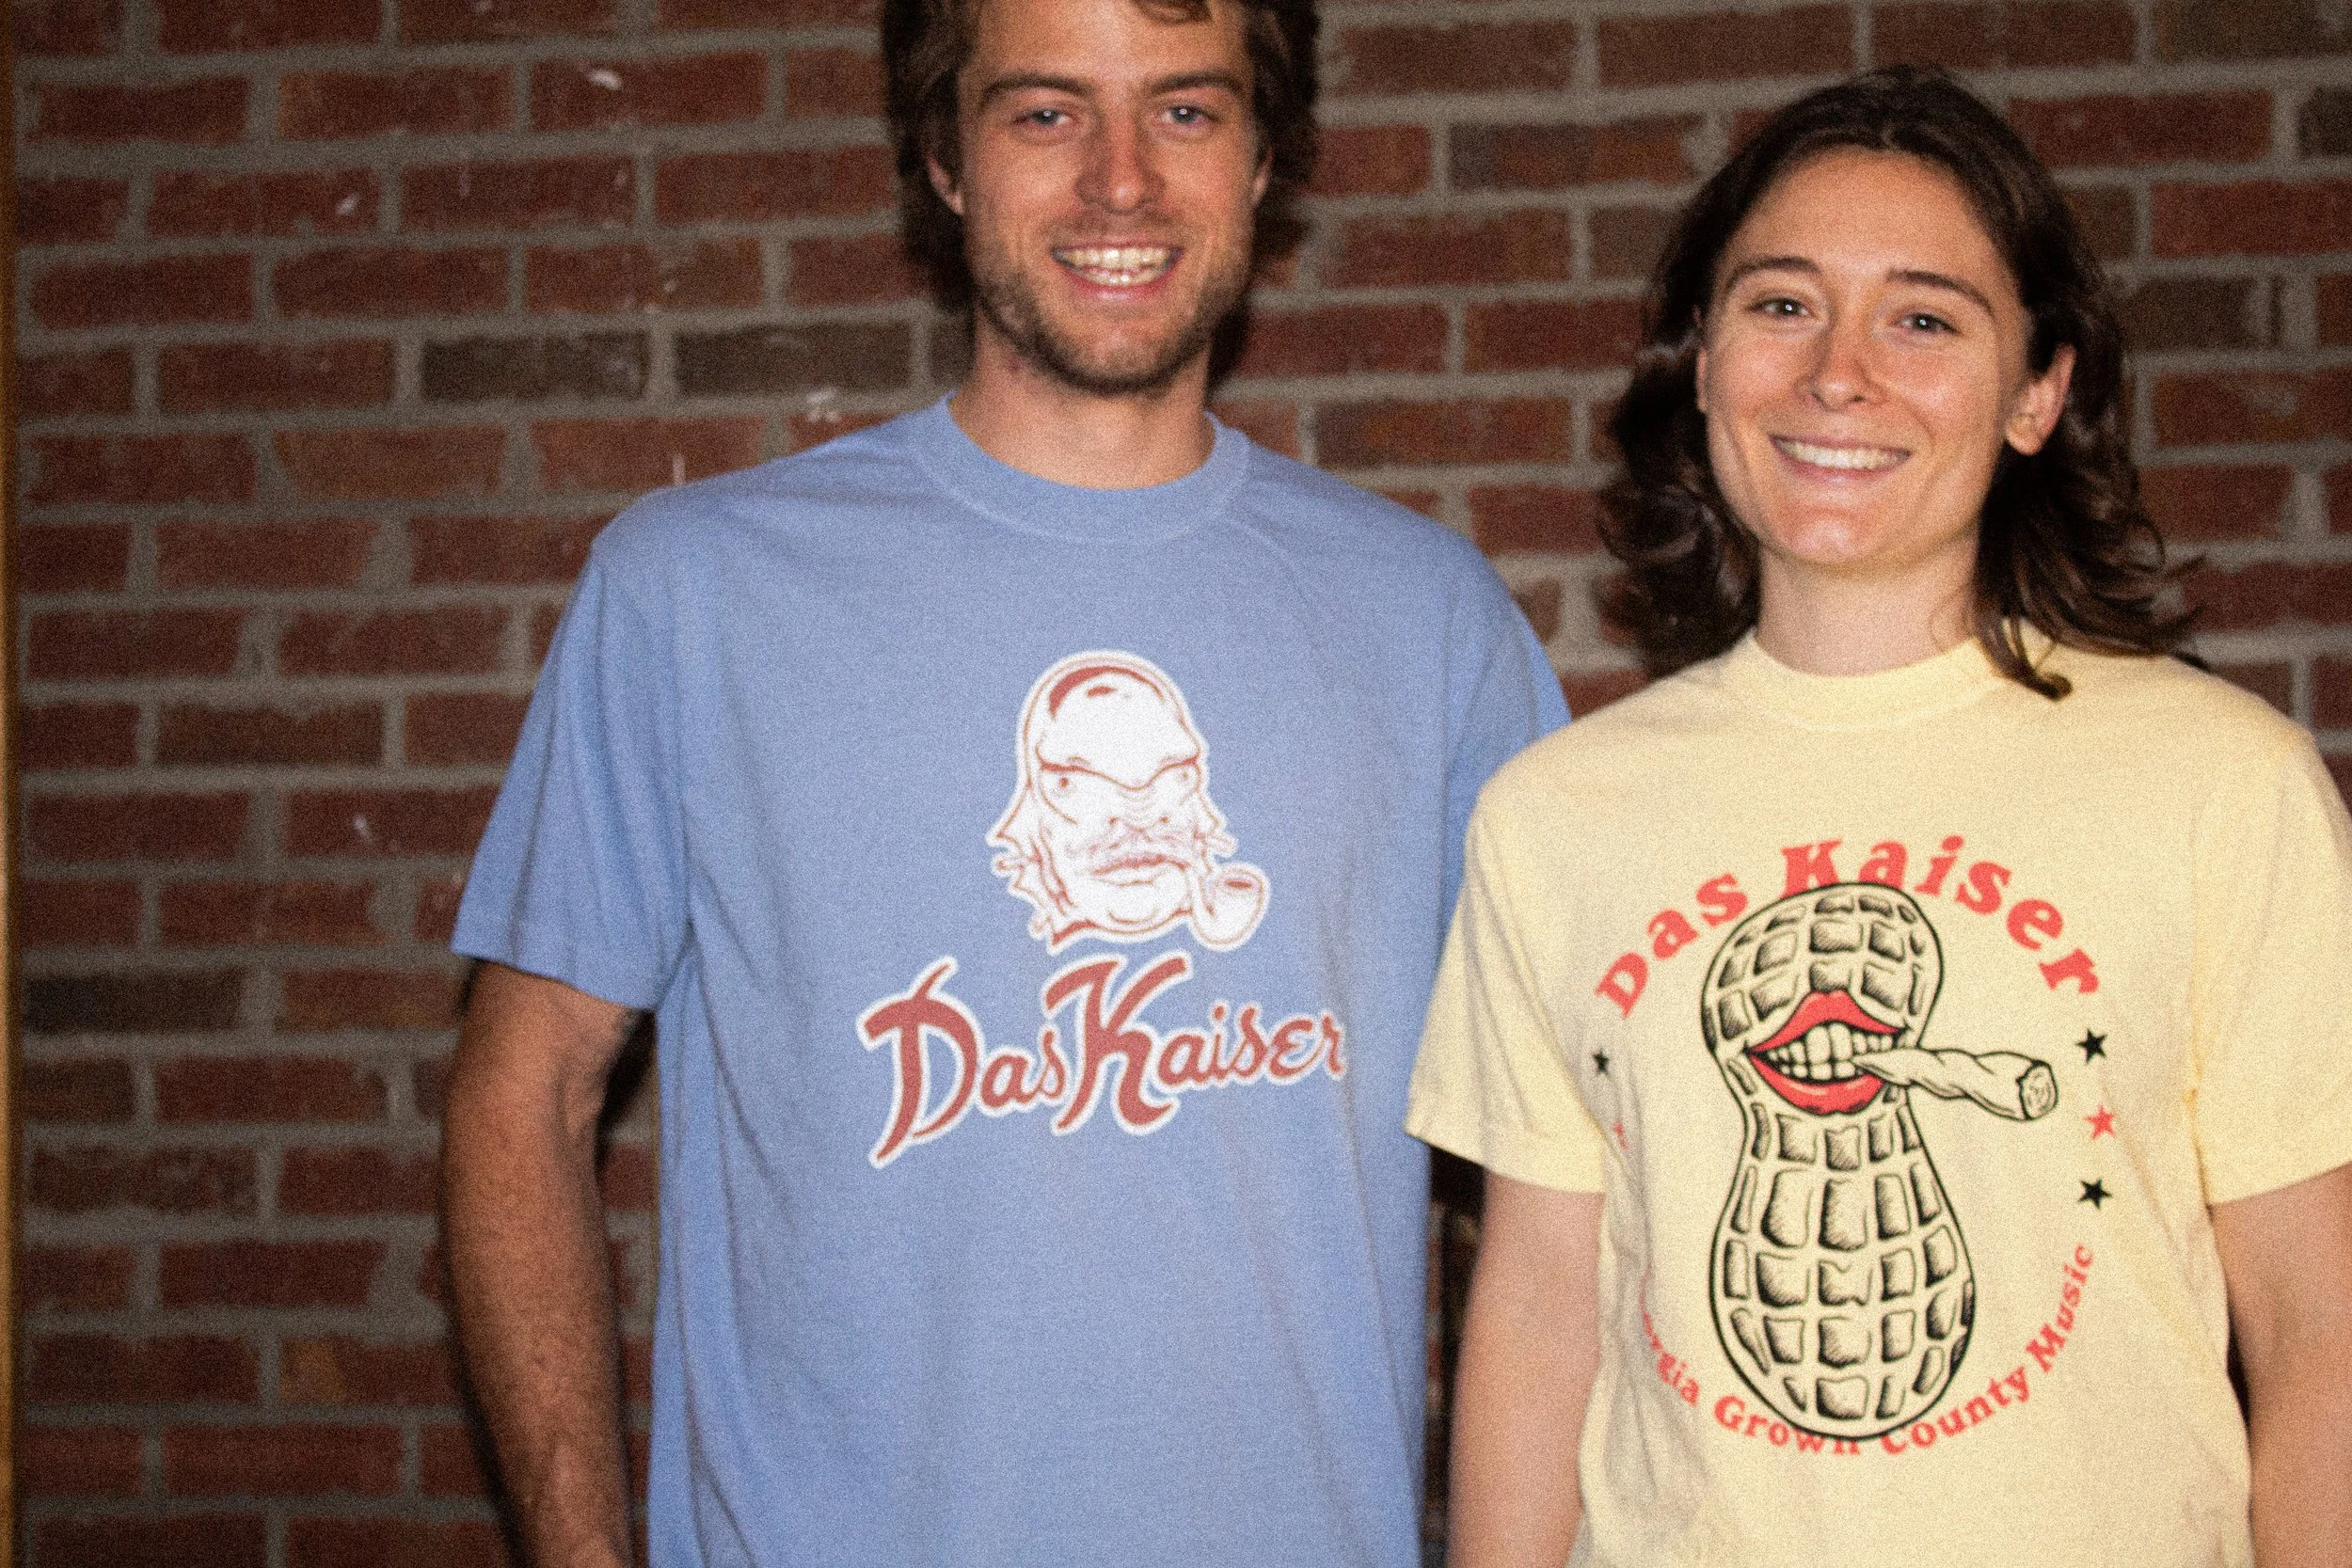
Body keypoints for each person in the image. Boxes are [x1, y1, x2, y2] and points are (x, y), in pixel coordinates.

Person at [437, 0, 1565, 1562]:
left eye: (1185, 111)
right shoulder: (697, 595)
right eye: (1045, 114)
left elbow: (1559, 1190)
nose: (1120, 183)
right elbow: (521, 1091)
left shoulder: (1435, 625)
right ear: (943, 158)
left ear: (1265, 162)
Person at [1407, 66, 2352, 1568]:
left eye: (1924, 317)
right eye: (1781, 305)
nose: (1839, 373)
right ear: (1701, 362)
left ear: (2038, 390)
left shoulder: (2223, 785)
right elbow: (1532, 1318)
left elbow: (2318, 1334)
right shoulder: (1556, 814)